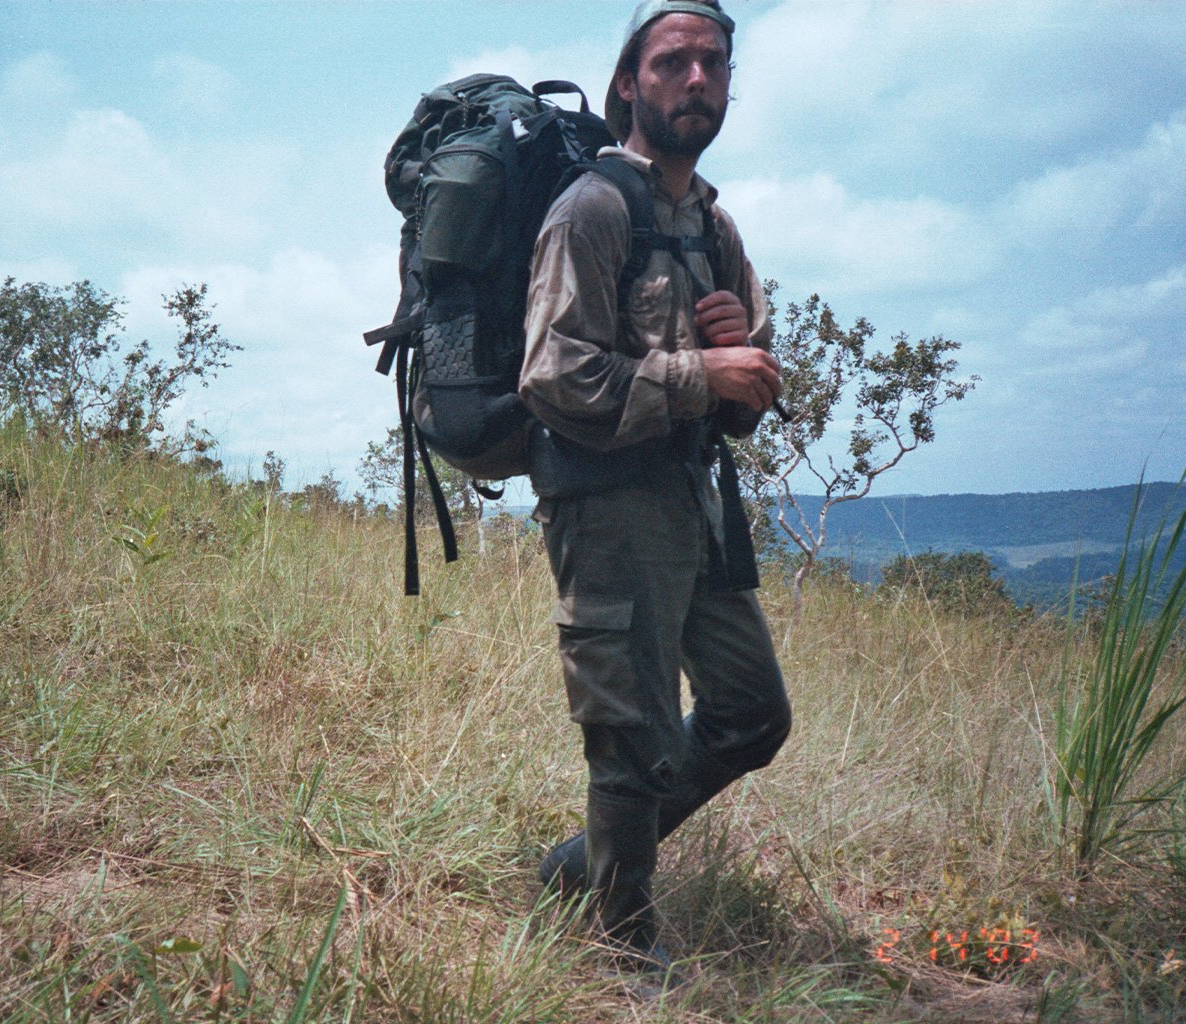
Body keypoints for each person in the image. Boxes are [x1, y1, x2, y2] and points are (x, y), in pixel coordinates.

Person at [518, 0, 792, 975]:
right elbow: (552, 376)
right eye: (671, 62)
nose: (695, 80)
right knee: (629, 735)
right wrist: (698, 374)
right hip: (607, 504)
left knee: (753, 712)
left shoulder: (715, 225)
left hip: (696, 499)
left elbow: (750, 391)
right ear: (629, 83)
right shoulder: (590, 209)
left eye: (712, 63)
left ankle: (578, 868)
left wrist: (736, 361)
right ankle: (624, 952)